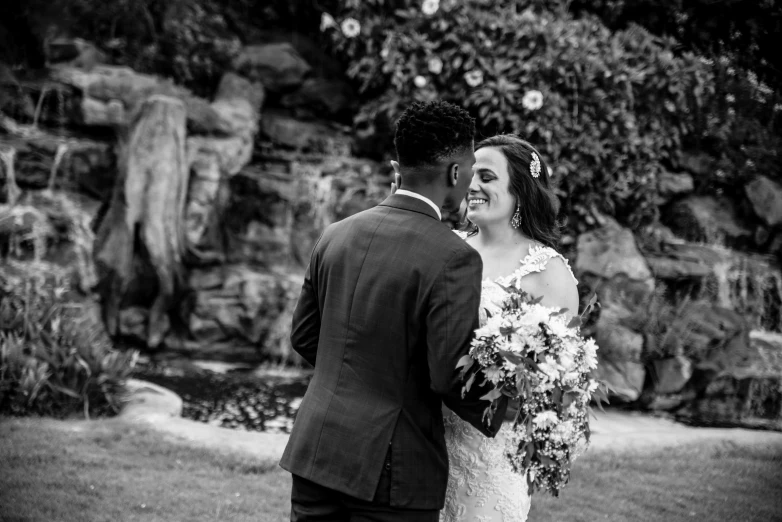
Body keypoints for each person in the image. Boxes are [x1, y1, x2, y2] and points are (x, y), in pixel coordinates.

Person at [280, 101, 507, 522]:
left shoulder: (336, 234)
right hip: (391, 470)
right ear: (455, 173)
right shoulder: (453, 256)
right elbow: (446, 373)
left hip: (316, 450)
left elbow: (304, 337)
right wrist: (508, 400)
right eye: (471, 168)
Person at [439, 134, 579, 522]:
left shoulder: (548, 271)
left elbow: (558, 379)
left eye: (487, 176)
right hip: (425, 439)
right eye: (470, 174)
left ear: (519, 192)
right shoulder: (445, 246)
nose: (472, 185)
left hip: (490, 455)